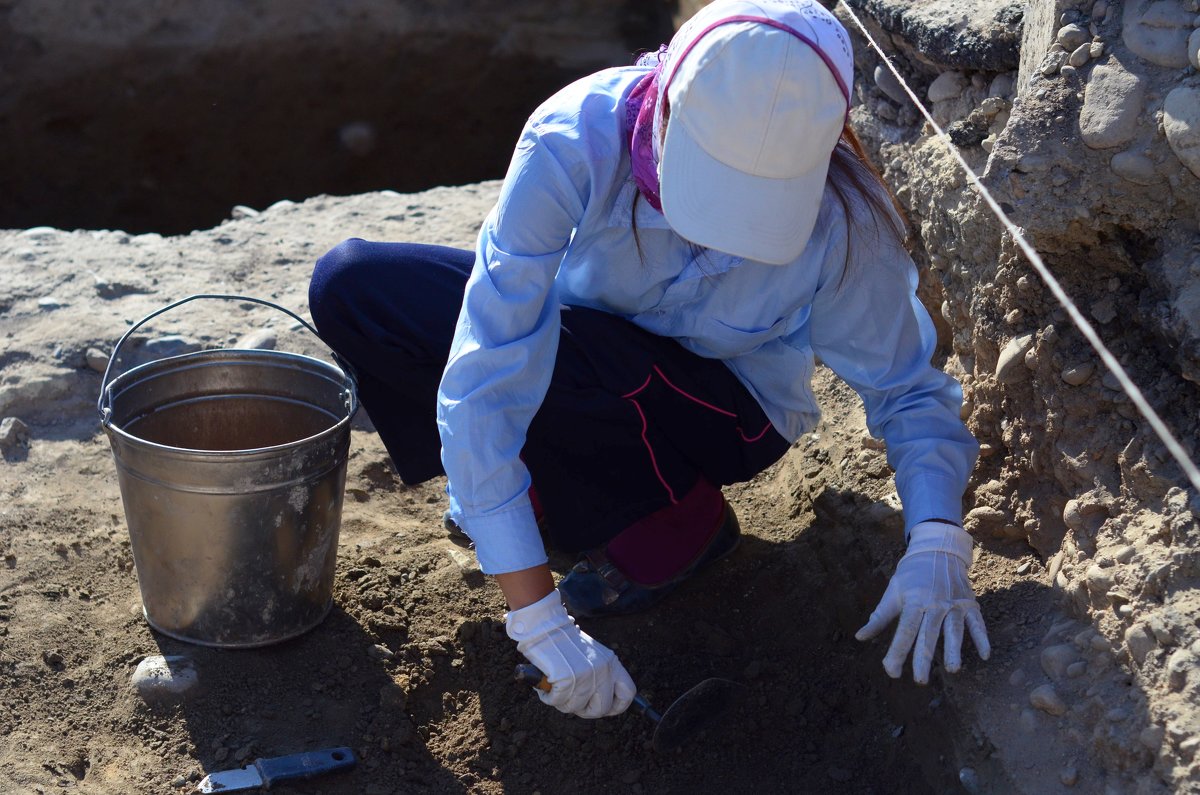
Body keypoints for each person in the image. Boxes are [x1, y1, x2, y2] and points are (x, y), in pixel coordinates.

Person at [308, 0, 991, 720]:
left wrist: (938, 538)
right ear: (664, 111)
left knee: (583, 355)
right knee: (356, 286)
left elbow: (908, 392)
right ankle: (538, 499)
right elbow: (490, 359)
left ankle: (676, 529)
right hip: (588, 353)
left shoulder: (847, 220)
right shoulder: (574, 137)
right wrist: (537, 619)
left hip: (726, 409)